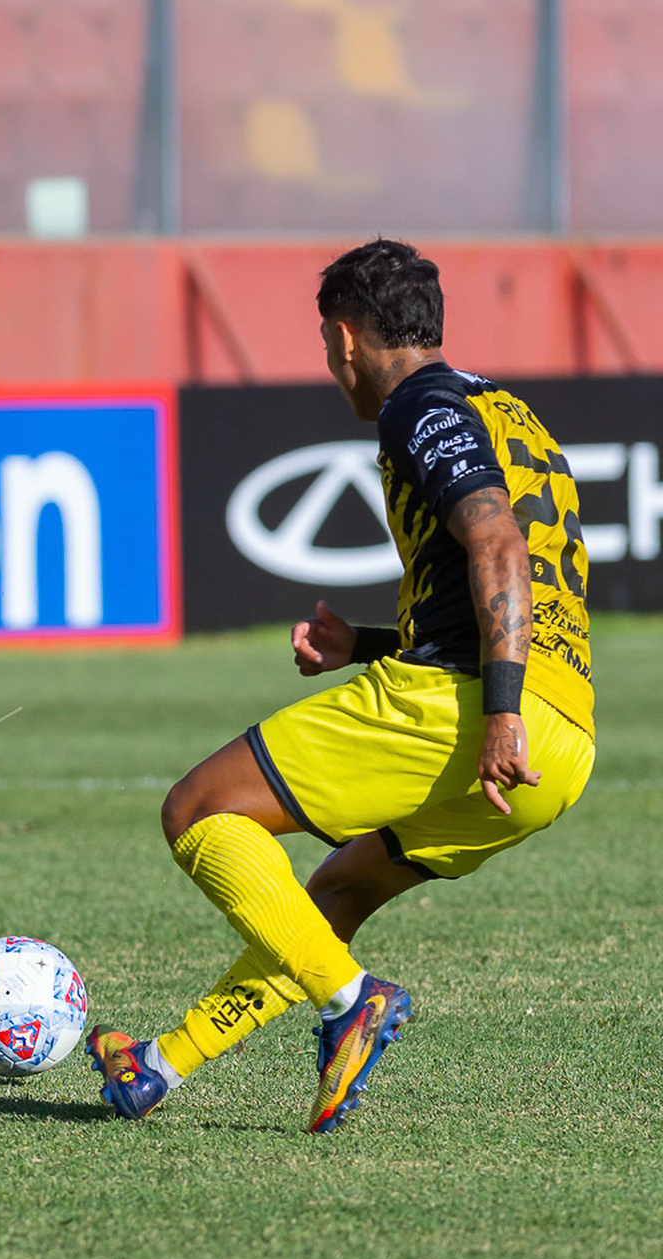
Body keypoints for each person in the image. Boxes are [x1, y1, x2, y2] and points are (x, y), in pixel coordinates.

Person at [89, 238, 595, 1133]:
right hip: (566, 739)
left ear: (346, 336)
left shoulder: (418, 406)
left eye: (329, 349)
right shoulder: (509, 410)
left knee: (199, 811)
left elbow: (498, 548)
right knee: (333, 897)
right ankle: (159, 1067)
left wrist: (498, 714)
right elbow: (511, 577)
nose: (333, 368)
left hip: (472, 707)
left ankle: (352, 1000)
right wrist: (364, 643)